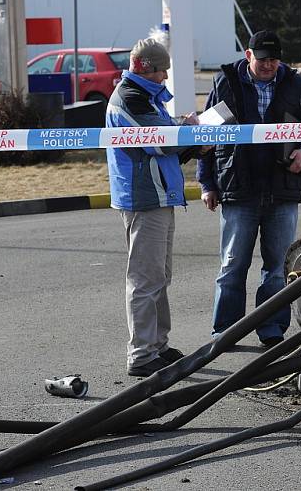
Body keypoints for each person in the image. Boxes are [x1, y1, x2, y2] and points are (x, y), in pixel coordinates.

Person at [197, 30, 301, 348]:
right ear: (248, 55)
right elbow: (206, 138)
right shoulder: (225, 82)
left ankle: (272, 330)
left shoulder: (295, 84)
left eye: (274, 59)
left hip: (282, 191)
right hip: (239, 189)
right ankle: (225, 331)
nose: (269, 66)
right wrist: (207, 184)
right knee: (232, 265)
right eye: (263, 59)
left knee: (278, 267)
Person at [106, 37, 201, 377]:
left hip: (157, 197)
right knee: (145, 279)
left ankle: (157, 345)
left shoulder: (143, 96)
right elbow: (161, 143)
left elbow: (163, 142)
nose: (165, 77)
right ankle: (142, 354)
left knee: (159, 276)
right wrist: (188, 131)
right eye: (162, 71)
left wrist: (191, 141)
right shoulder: (131, 99)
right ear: (144, 68)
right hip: (145, 200)